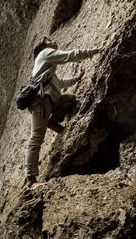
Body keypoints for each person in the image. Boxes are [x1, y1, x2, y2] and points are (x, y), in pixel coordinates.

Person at [25, 36, 103, 189]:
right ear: (43, 46)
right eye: (48, 40)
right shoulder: (45, 54)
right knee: (36, 138)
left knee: (70, 99)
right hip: (39, 103)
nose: (53, 40)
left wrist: (77, 78)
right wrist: (93, 51)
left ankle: (53, 122)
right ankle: (31, 179)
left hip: (49, 101)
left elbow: (61, 83)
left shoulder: (47, 70)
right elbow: (68, 56)